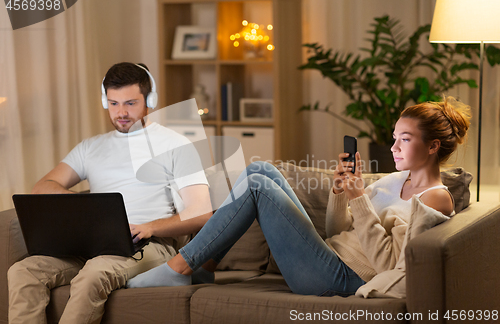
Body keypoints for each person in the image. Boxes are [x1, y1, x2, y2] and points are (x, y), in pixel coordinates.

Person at [127, 96, 471, 297]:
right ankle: (200, 268)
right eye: (394, 137)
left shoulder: (436, 199)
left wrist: (360, 200)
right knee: (259, 172)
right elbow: (337, 231)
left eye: (405, 140)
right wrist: (341, 193)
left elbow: (386, 266)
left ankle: (180, 266)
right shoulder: (394, 180)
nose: (394, 147)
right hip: (328, 256)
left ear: (433, 146)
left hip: (343, 279)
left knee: (259, 186)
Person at [8, 62, 213, 324]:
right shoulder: (91, 147)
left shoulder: (176, 144)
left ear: (150, 100)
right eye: (114, 103)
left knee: (95, 272)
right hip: (91, 243)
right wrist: (87, 210)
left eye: (130, 103)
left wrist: (150, 227)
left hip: (148, 244)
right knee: (24, 271)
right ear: (105, 101)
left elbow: (202, 212)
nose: (121, 113)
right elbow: (42, 187)